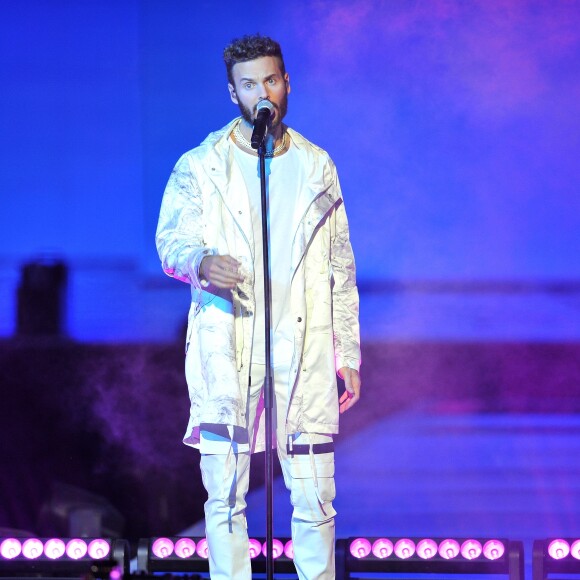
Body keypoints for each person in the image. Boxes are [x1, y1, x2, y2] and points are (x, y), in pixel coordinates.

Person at [156, 34, 361, 580]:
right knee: (224, 494)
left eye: (270, 80)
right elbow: (171, 241)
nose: (261, 92)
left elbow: (341, 267)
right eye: (248, 84)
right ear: (233, 93)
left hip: (304, 345)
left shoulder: (318, 166)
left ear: (286, 83)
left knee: (315, 496)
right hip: (230, 342)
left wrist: (350, 354)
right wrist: (200, 262)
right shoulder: (202, 165)